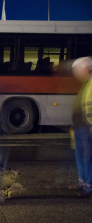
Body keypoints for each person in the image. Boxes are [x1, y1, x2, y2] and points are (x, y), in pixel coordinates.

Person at [71, 56, 92, 198]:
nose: (75, 74)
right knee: (80, 156)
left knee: (86, 157)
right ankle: (82, 183)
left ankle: (87, 187)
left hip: (87, 127)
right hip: (80, 127)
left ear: (86, 69)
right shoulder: (86, 83)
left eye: (77, 70)